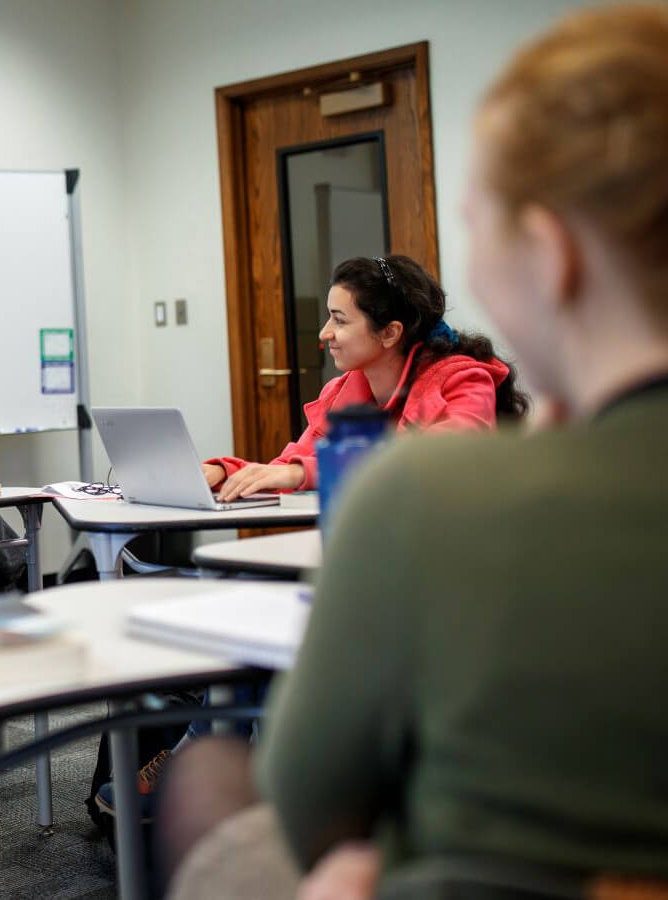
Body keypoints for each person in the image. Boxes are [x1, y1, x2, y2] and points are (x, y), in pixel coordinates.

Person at [160, 4, 668, 897]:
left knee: (212, 777)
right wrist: (244, 469)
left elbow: (308, 800)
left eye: (481, 228)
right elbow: (301, 448)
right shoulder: (373, 416)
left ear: (551, 256)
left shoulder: (427, 480)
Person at [203, 254, 527, 500]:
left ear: (389, 332)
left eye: (339, 320)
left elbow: (431, 462)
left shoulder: (464, 381)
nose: (324, 332)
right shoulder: (342, 390)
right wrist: (223, 472)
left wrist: (303, 472)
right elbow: (288, 467)